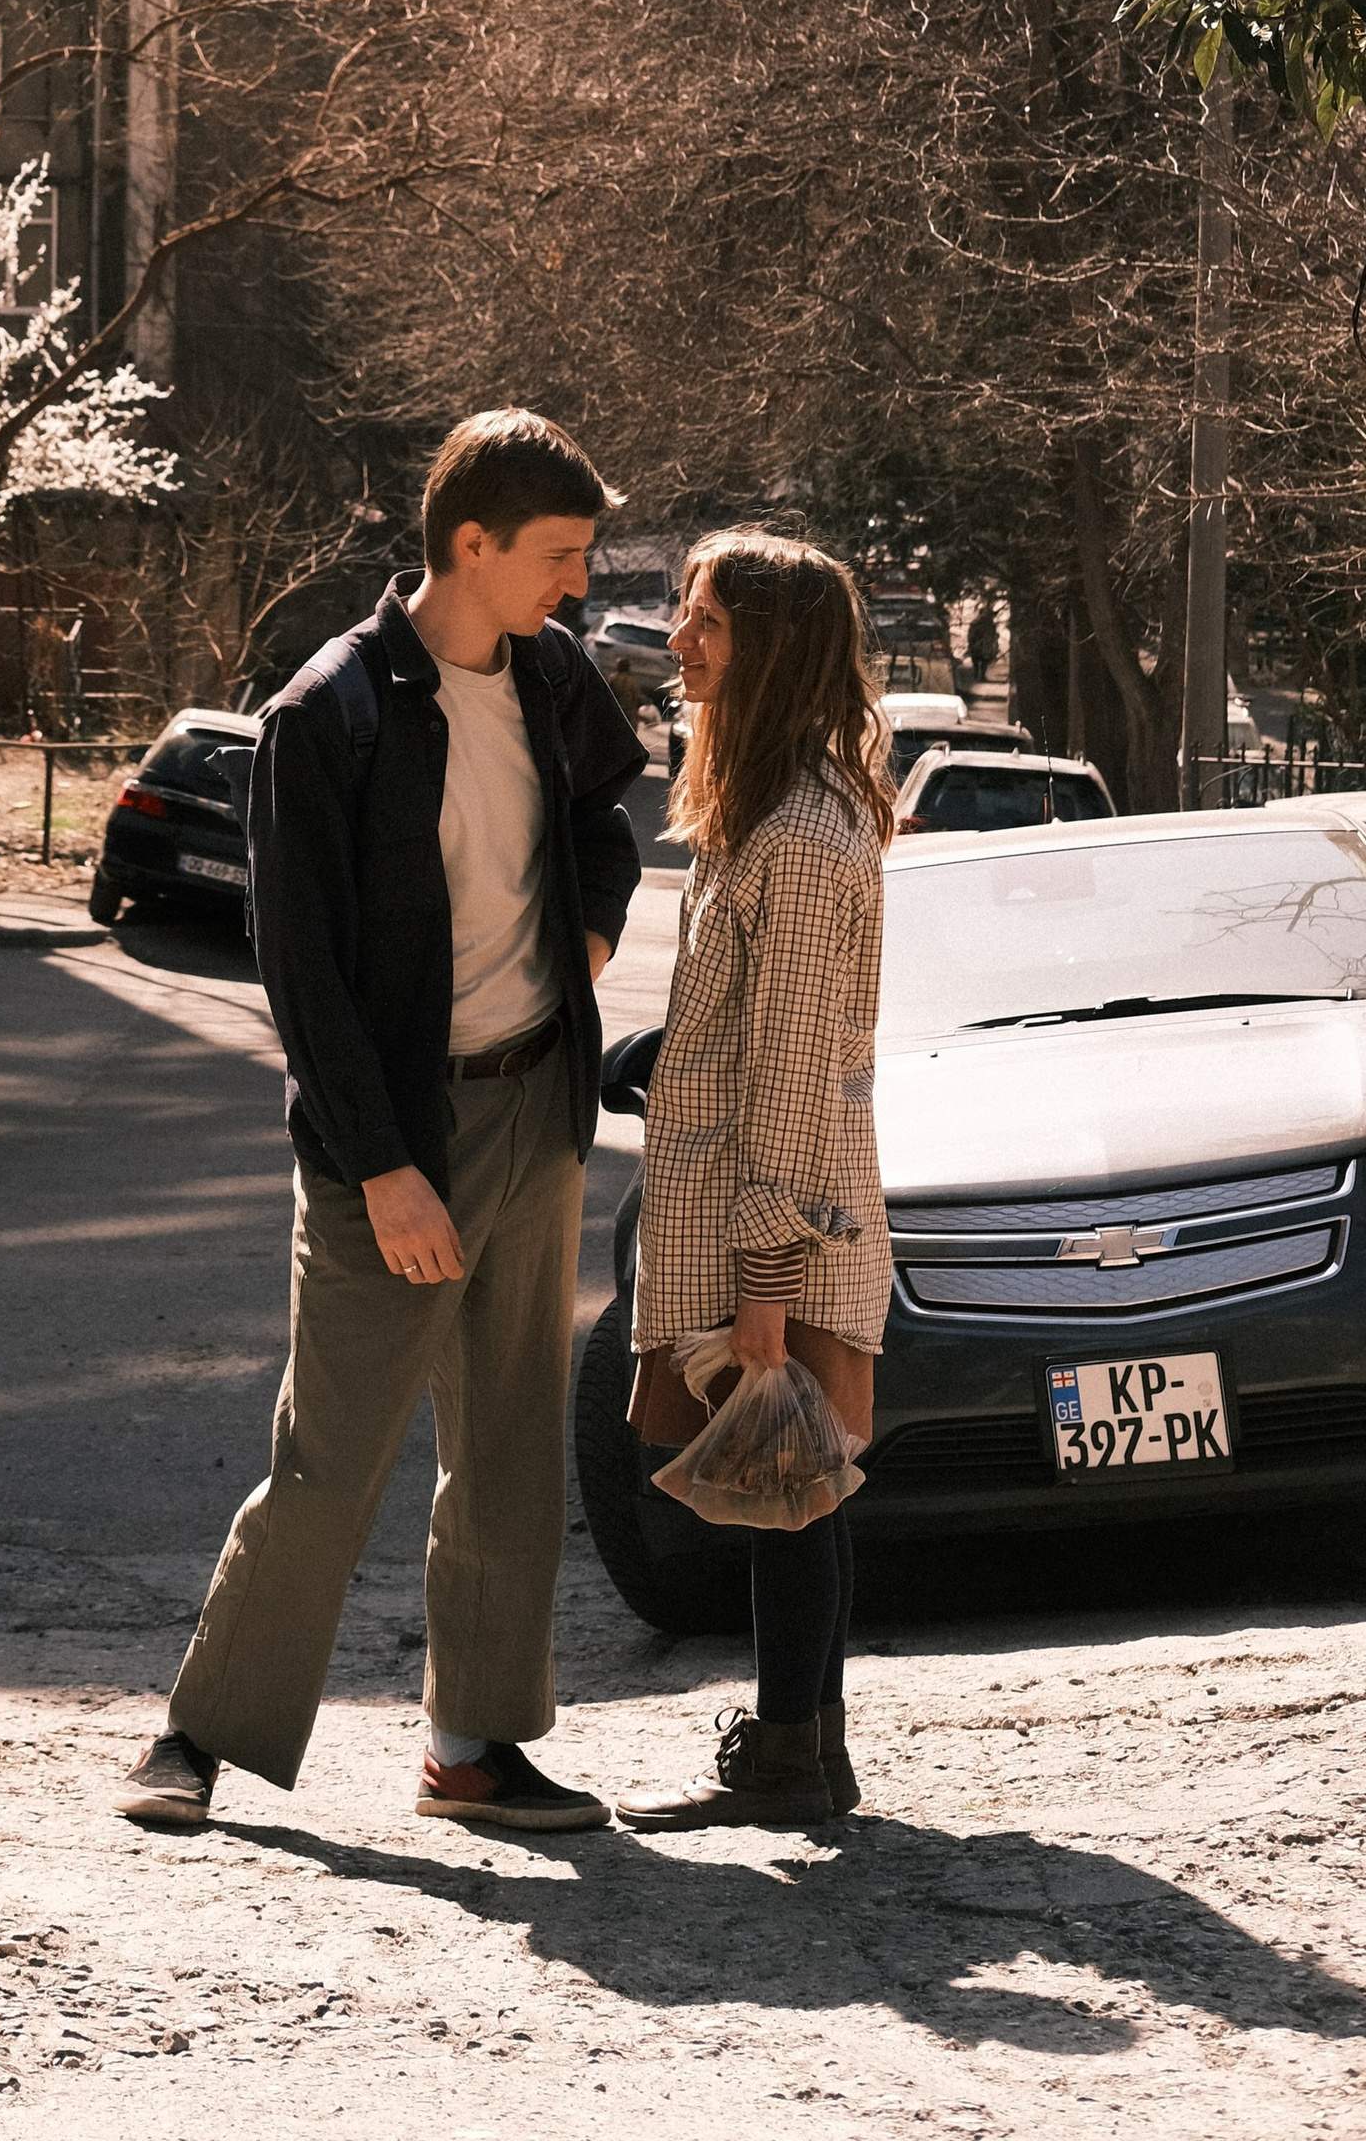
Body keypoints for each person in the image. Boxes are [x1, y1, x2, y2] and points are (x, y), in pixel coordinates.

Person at [118, 409, 648, 1835]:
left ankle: (473, 1750)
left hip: (534, 1106)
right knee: (331, 1452)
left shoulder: (549, 678)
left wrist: (586, 941)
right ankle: (196, 1736)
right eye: (558, 556)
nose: (578, 586)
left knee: (513, 1446)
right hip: (391, 1141)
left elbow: (612, 818)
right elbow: (304, 975)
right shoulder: (327, 712)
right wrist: (387, 1172)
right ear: (469, 545)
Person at [616, 531, 894, 1832]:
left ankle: (794, 1757)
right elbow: (758, 1032)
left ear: (770, 649)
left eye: (704, 620)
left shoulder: (797, 832)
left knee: (787, 1492)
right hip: (759, 1212)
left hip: (770, 1230)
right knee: (792, 1495)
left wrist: (769, 1292)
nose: (678, 639)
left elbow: (787, 1074)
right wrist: (662, 1056)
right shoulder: (774, 810)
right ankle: (804, 1750)